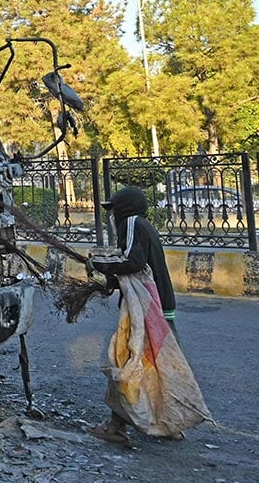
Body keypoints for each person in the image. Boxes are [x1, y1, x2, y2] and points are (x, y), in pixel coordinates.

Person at [89, 185, 178, 444]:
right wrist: (112, 281)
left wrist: (97, 264)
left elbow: (132, 261)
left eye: (113, 209)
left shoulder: (130, 223)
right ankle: (170, 422)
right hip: (162, 305)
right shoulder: (144, 225)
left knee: (126, 361)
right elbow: (140, 267)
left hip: (146, 308)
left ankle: (116, 426)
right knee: (158, 367)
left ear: (124, 208)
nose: (112, 215)